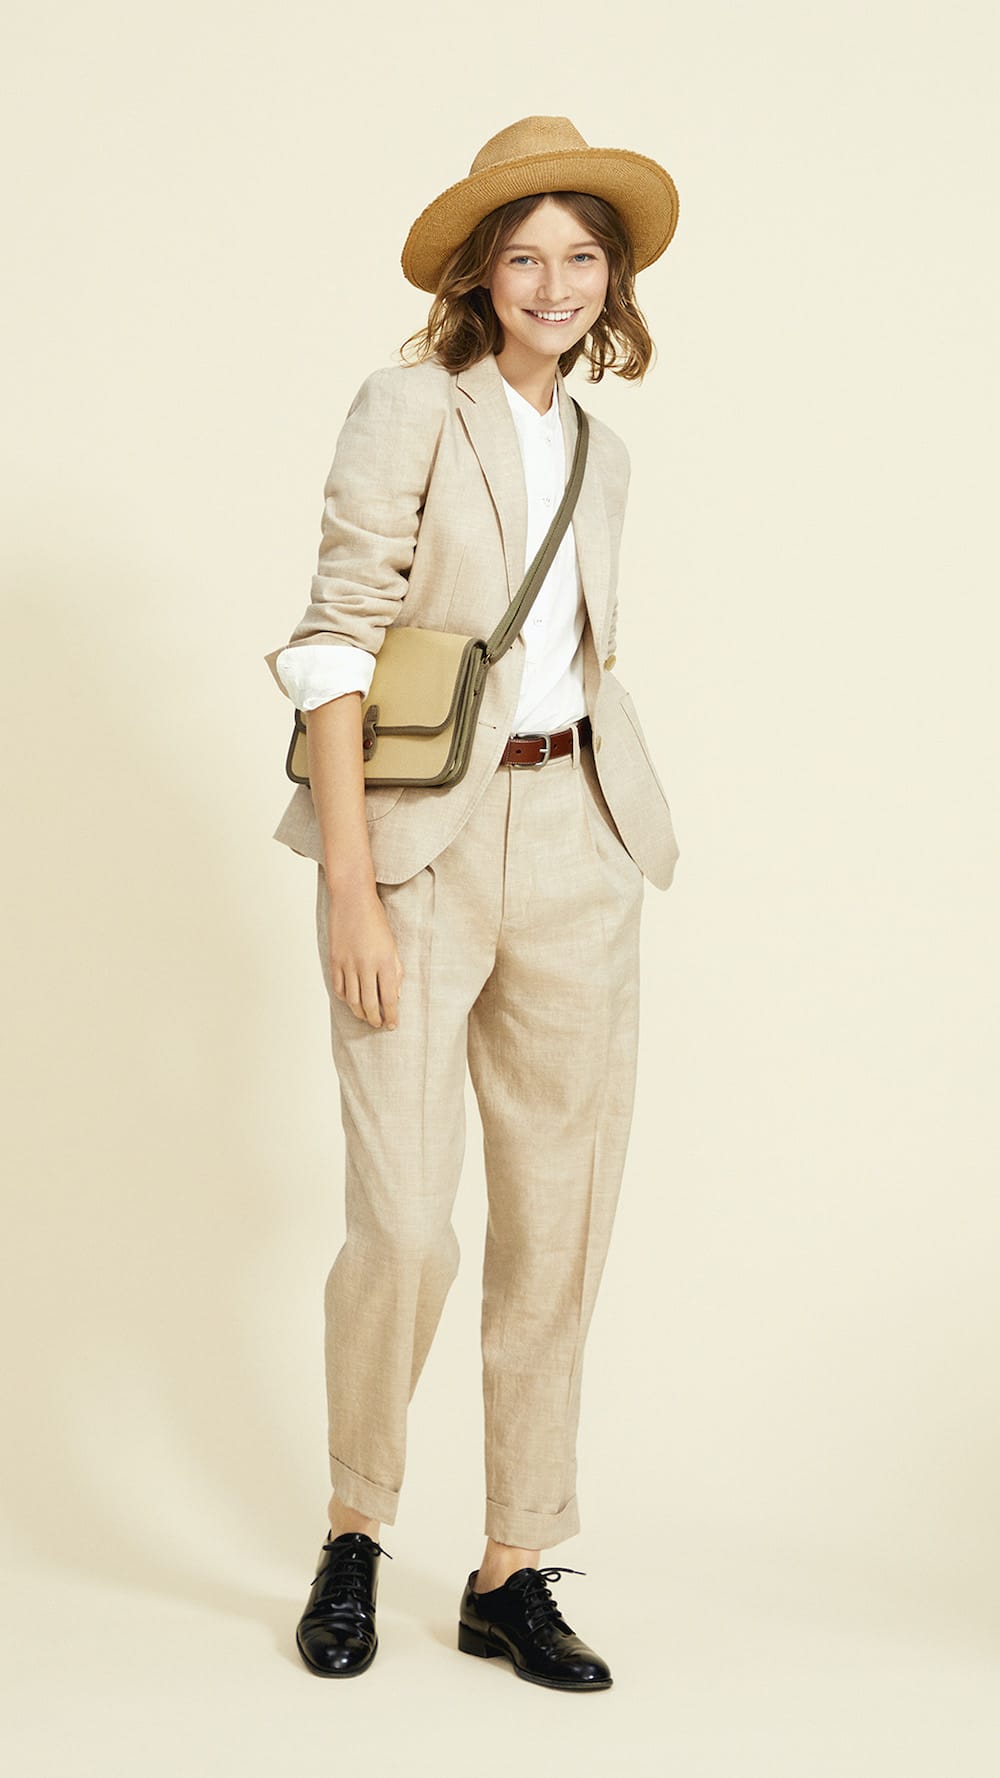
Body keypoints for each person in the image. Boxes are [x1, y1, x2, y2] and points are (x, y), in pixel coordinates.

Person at [263, 115, 681, 1691]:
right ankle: (355, 1526)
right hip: (422, 848)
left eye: (582, 257)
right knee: (406, 1222)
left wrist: (599, 835)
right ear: (479, 275)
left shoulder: (604, 452)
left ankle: (513, 1563)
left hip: (581, 836)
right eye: (526, 257)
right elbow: (335, 640)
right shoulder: (409, 409)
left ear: (610, 278)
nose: (556, 283)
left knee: (558, 1222)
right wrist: (353, 885)